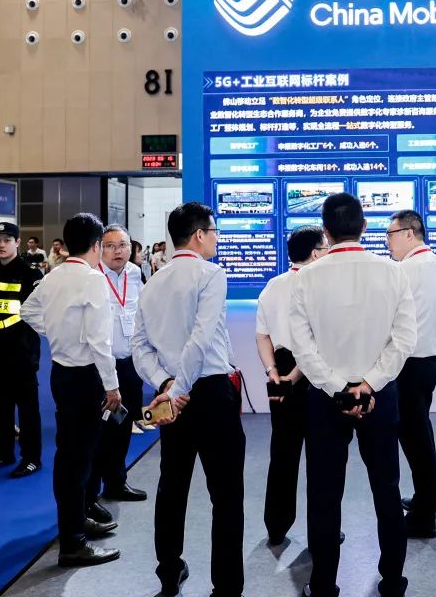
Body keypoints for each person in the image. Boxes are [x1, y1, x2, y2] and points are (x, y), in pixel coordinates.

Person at [291, 192, 417, 597]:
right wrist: (370, 384)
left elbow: (302, 347)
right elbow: (405, 339)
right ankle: (393, 580)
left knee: (324, 493)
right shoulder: (394, 272)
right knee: (387, 489)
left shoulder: (305, 277)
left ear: (325, 232)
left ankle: (323, 584)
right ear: (363, 227)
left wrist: (338, 388)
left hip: (325, 400)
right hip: (380, 396)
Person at [133, 202, 245, 597]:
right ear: (199, 234)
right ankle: (226, 586)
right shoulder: (211, 274)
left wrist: (166, 385)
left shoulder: (152, 281)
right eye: (213, 232)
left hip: (170, 396)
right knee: (226, 494)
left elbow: (140, 346)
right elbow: (201, 339)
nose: (216, 239)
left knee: (172, 487)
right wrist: (179, 388)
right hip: (209, 392)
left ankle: (168, 572)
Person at [21, 213, 122, 567]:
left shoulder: (54, 275)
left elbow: (27, 311)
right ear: (96, 245)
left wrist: (56, 332)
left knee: (70, 455)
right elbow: (99, 340)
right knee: (78, 460)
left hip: (61, 373)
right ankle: (73, 542)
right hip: (86, 377)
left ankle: (76, 523)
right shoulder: (93, 279)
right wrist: (112, 385)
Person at [385, 209, 436, 538]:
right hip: (430, 362)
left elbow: (387, 318)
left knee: (414, 439)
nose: (387, 242)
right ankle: (428, 499)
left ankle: (425, 514)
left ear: (409, 233)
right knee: (420, 432)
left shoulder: (401, 271)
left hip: (406, 365)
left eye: (390, 235)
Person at [256, 225, 328, 546]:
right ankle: (320, 531)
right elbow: (316, 342)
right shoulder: (320, 285)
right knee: (320, 455)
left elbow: (262, 335)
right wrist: (298, 374)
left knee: (282, 451)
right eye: (325, 248)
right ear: (315, 253)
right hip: (313, 372)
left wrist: (273, 372)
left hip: (280, 369)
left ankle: (276, 525)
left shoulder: (273, 285)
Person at [85, 224, 148, 511]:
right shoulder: (92, 276)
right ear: (100, 248)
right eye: (110, 246)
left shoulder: (135, 273)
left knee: (124, 424)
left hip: (130, 363)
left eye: (122, 245)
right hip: (100, 367)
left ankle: (116, 481)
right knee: (99, 429)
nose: (117, 251)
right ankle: (91, 493)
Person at [0, 222, 44, 478]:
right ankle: (2, 451)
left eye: (6, 240)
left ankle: (31, 457)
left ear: (17, 242)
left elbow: (38, 313)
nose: (1, 245)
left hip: (22, 348)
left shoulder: (30, 274)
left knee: (27, 407)